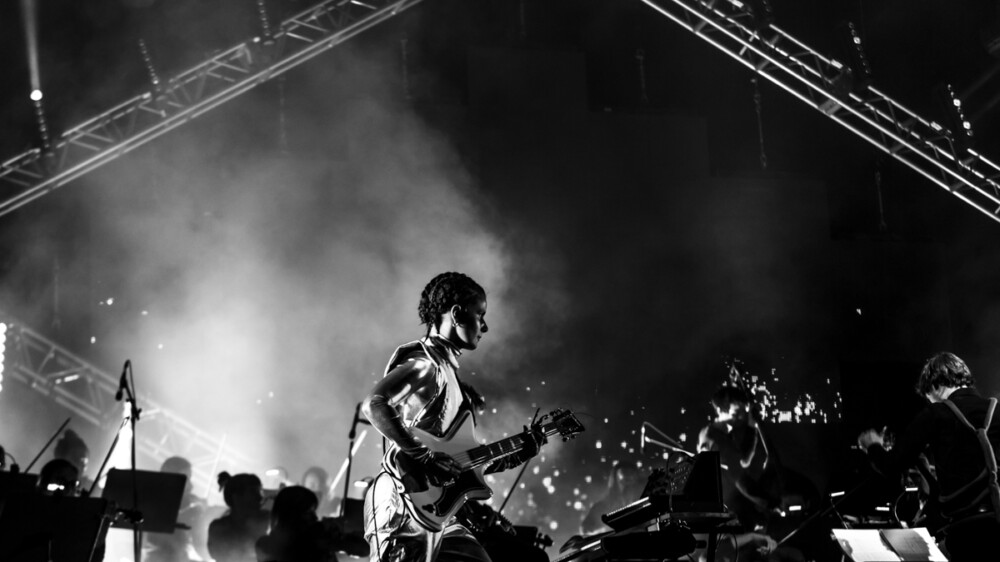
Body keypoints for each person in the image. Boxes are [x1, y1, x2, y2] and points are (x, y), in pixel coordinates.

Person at [361, 271, 545, 562]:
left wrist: (520, 452)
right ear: (457, 314)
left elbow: (461, 462)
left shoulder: (450, 377)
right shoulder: (426, 363)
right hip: (404, 503)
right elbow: (374, 404)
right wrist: (425, 457)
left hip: (441, 513)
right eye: (480, 314)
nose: (485, 326)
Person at [858, 352, 1000, 562]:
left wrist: (872, 446)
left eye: (928, 397)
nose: (930, 402)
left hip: (969, 535)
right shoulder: (997, 410)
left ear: (934, 386)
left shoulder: (937, 414)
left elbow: (891, 465)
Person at [146, 456, 211, 562]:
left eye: (189, 479)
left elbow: (201, 549)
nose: (191, 486)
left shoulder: (193, 506)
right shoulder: (149, 505)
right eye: (185, 479)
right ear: (169, 479)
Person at [208, 472, 270, 562]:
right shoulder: (219, 528)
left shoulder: (267, 521)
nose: (259, 497)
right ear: (236, 497)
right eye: (253, 492)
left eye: (259, 492)